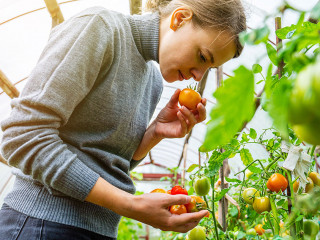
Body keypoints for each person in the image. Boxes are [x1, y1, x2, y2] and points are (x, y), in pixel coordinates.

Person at [0, 0, 246, 239]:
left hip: (98, 230)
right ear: (179, 18)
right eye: (203, 57)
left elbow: (103, 164)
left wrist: (154, 133)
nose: (198, 74)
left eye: (208, 69)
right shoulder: (100, 28)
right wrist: (130, 204)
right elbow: (22, 136)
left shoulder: (153, 79)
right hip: (41, 222)